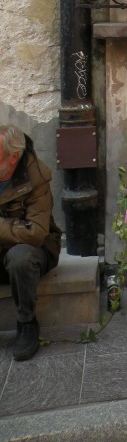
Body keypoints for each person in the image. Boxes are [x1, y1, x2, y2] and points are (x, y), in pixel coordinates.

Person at [0, 125, 62, 361]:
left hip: (35, 250)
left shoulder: (36, 177)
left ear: (13, 157)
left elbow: (35, 232)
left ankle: (26, 323)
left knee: (20, 258)